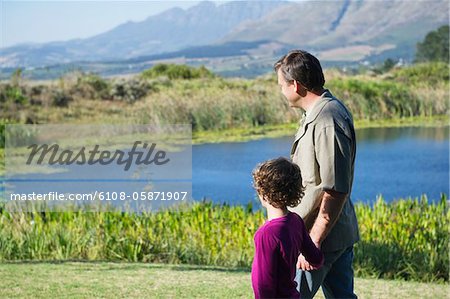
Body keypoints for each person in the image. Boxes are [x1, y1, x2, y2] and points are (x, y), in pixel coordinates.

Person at [274, 50, 360, 298]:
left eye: (282, 85)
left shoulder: (327, 119)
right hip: (331, 234)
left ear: (296, 85)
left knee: (288, 295)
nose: (281, 91)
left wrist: (312, 242)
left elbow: (335, 188)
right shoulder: (318, 113)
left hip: (321, 237)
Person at [251, 157, 324, 299]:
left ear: (263, 194)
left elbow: (262, 284)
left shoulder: (266, 234)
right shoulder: (295, 221)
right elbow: (316, 258)